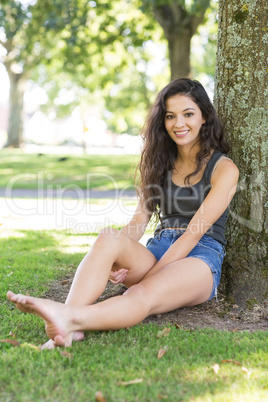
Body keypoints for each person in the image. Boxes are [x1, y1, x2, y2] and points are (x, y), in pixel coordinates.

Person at [7, 78, 239, 349]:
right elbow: (139, 220)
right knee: (108, 238)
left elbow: (191, 236)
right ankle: (65, 323)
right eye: (170, 116)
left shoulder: (224, 169)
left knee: (142, 293)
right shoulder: (160, 162)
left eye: (188, 114)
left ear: (204, 117)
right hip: (160, 247)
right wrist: (114, 257)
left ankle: (69, 318)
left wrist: (148, 277)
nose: (179, 124)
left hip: (199, 256)